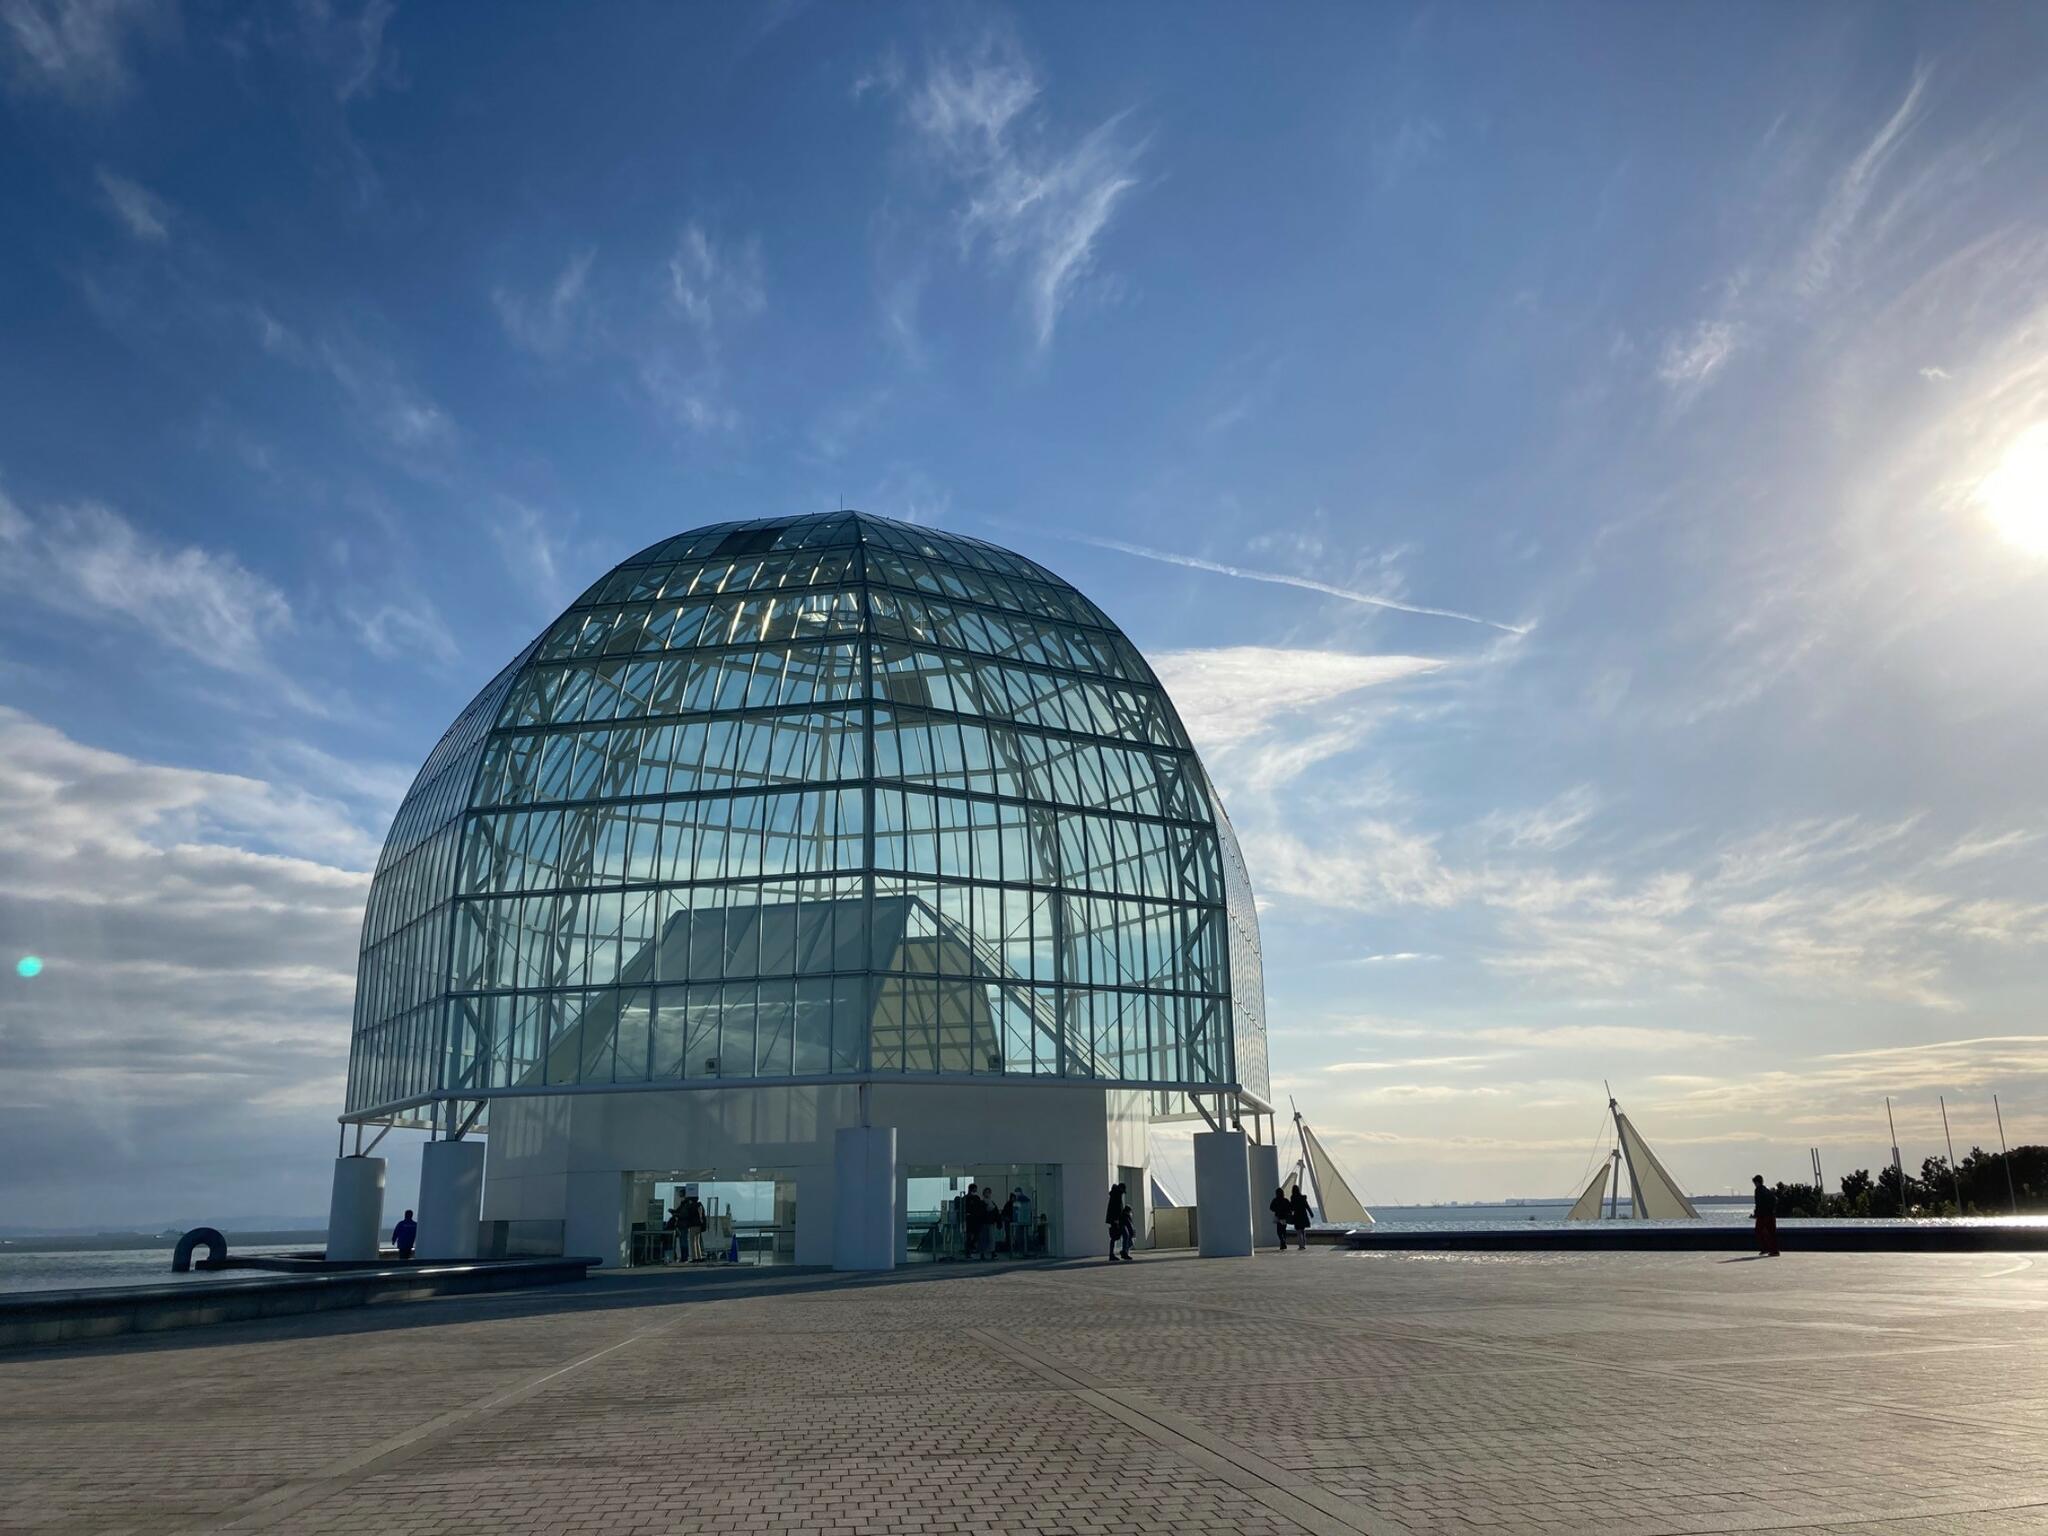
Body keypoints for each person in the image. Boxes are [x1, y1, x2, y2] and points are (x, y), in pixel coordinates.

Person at [1752, 1174, 1780, 1258]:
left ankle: (1766, 1248)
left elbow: (1758, 1203)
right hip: (1771, 1214)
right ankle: (1774, 1250)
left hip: (1763, 1215)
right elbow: (1775, 1199)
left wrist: (1756, 1213)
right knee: (1771, 1232)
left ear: (1757, 1182)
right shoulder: (1766, 1190)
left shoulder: (1758, 1190)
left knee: (1758, 1231)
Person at [1106, 1183, 1132, 1262]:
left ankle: (1119, 1253)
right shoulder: (1116, 1195)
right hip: (1117, 1220)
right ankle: (1120, 1253)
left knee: (1117, 1236)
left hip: (1117, 1220)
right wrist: (1116, 1220)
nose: (1123, 1193)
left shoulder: (1115, 1194)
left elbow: (1115, 1208)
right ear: (1121, 1189)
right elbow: (1115, 1208)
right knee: (1118, 1236)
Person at [684, 1191, 708, 1262]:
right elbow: (701, 1215)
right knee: (697, 1241)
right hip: (699, 1225)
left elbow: (688, 1215)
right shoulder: (699, 1205)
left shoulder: (692, 1206)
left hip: (693, 1225)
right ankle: (699, 1256)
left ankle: (695, 1257)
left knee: (692, 1241)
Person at [1288, 1186, 1312, 1251]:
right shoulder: (1303, 1198)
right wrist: (1311, 1213)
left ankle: (1301, 1245)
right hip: (1303, 1215)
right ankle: (1304, 1243)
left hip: (1297, 1216)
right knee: (1302, 1230)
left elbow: (1291, 1207)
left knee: (1298, 1231)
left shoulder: (1293, 1198)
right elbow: (1307, 1206)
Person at [1269, 1185, 1291, 1250]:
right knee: (1284, 1230)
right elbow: (1289, 1208)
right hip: (1284, 1217)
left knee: (1279, 1231)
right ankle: (1284, 1242)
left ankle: (1282, 1241)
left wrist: (1276, 1210)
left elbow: (1271, 1207)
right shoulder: (1285, 1200)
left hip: (1278, 1217)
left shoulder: (1275, 1200)